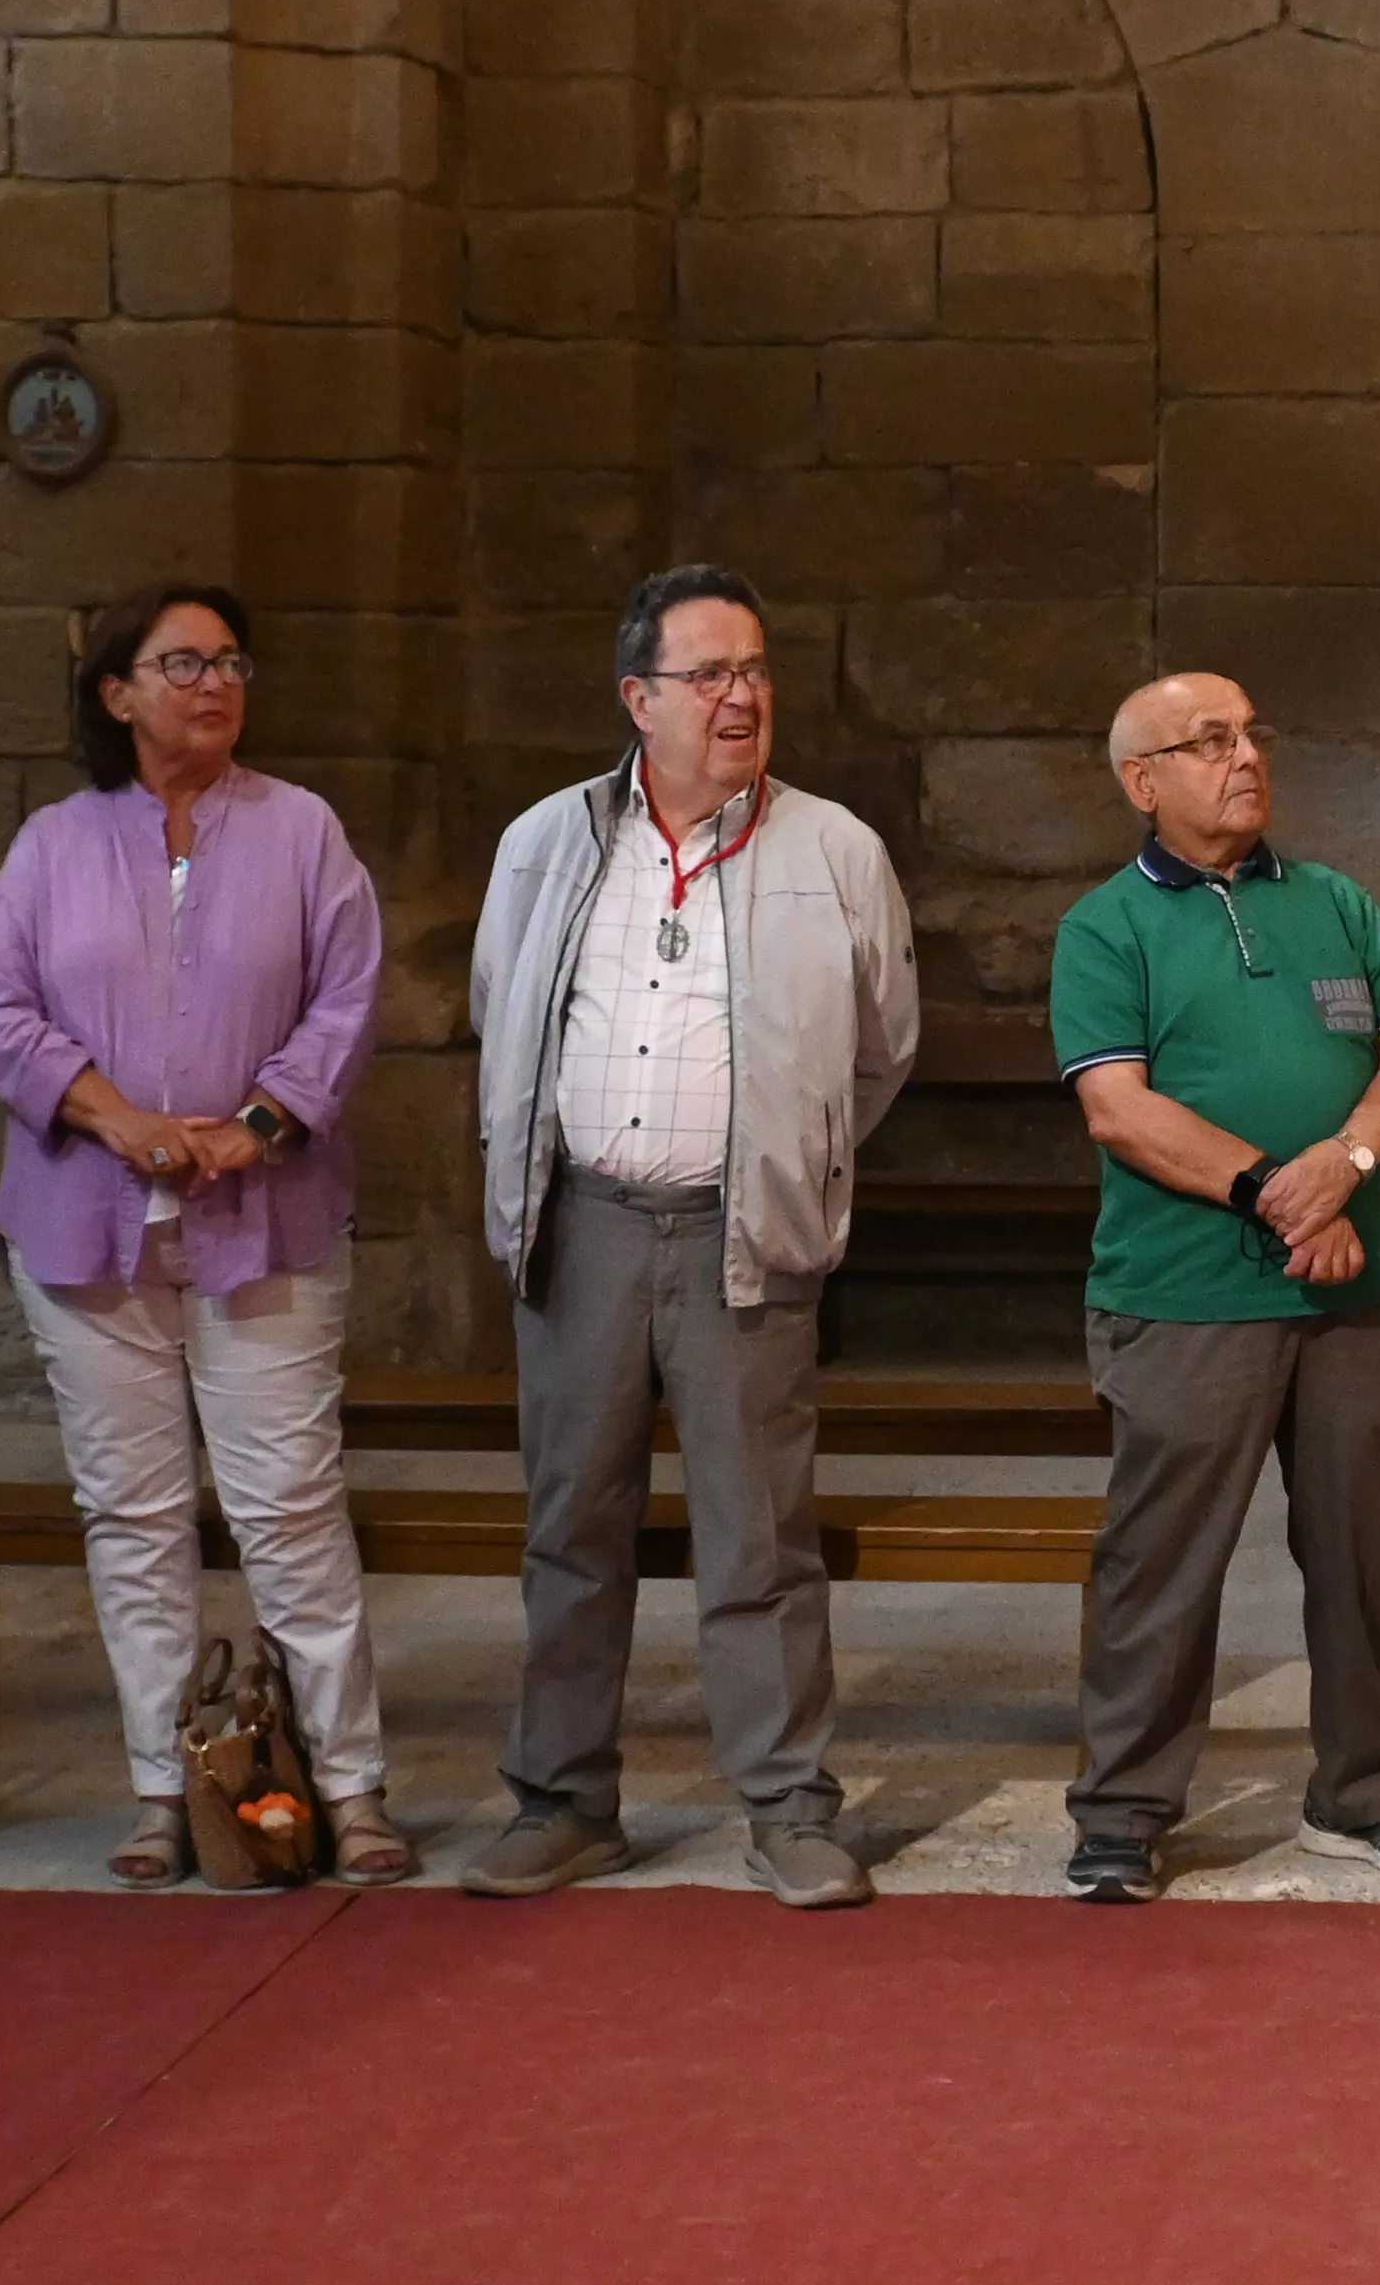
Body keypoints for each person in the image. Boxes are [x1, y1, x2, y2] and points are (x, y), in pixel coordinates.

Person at [460, 564, 917, 1907]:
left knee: (760, 1536)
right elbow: (505, 1010)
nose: (741, 697)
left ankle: (787, 1808)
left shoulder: (833, 849)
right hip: (584, 1224)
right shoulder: (545, 841)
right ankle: (561, 1802)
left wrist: (791, 1155)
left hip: (743, 1232)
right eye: (709, 674)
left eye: (756, 670)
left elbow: (882, 1046)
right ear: (637, 697)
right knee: (570, 1527)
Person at [0, 587, 406, 1885]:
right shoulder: (51, 845)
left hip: (260, 1216)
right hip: (85, 1225)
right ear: (117, 692)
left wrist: (250, 1128)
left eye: (229, 660)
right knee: (136, 1512)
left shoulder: (301, 831)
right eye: (182, 663)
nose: (213, 683)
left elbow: (347, 999)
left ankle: (351, 1782)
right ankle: (166, 1785)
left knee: (287, 1504)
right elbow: (2, 1013)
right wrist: (113, 1116)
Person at [1050, 671, 1380, 1905]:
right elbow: (1117, 1107)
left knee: (1357, 1552)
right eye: (1209, 739)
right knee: (1161, 1560)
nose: (1244, 756)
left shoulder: (1334, 903)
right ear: (1144, 780)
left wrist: (1339, 1169)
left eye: (1251, 735)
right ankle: (1123, 1809)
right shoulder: (1105, 927)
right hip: (1185, 1295)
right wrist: (1273, 1195)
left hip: (1345, 1290)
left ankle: (1361, 1791)